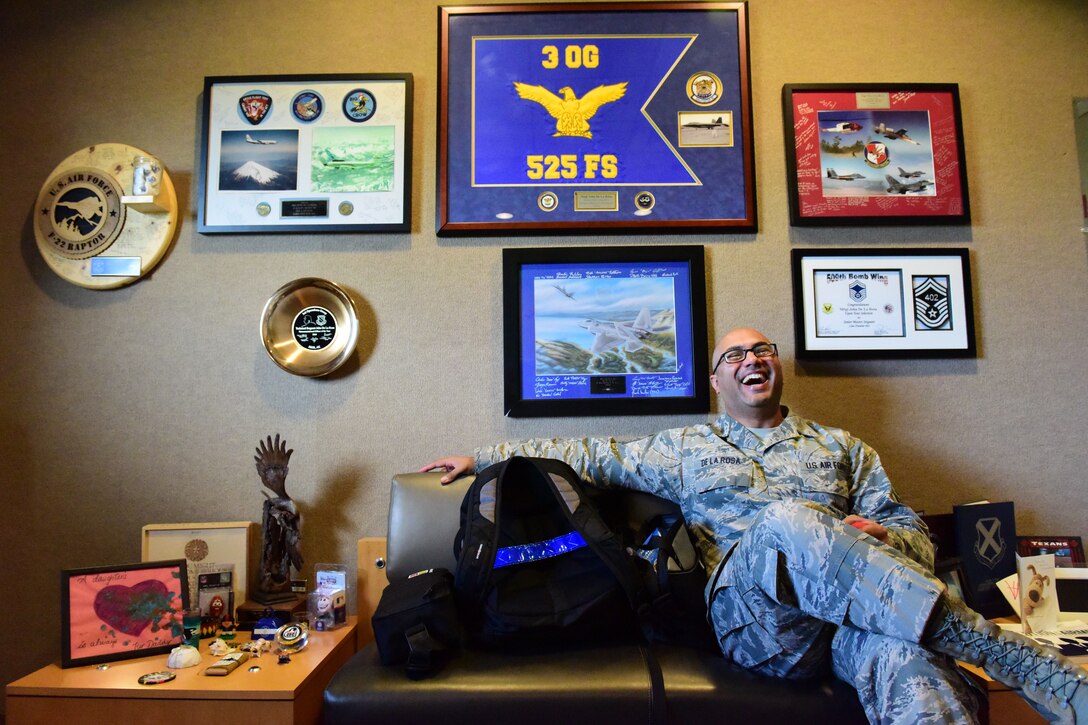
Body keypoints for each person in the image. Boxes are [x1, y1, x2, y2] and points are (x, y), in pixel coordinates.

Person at [422, 327, 1087, 725]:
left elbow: (909, 527)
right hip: (756, 623)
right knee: (789, 521)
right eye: (736, 353)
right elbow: (591, 454)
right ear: (717, 379)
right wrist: (481, 457)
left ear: (776, 365)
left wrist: (883, 538)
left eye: (763, 348)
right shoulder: (682, 447)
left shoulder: (842, 446)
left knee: (913, 666)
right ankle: (1002, 652)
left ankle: (987, 667)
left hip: (857, 624)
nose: (752, 358)